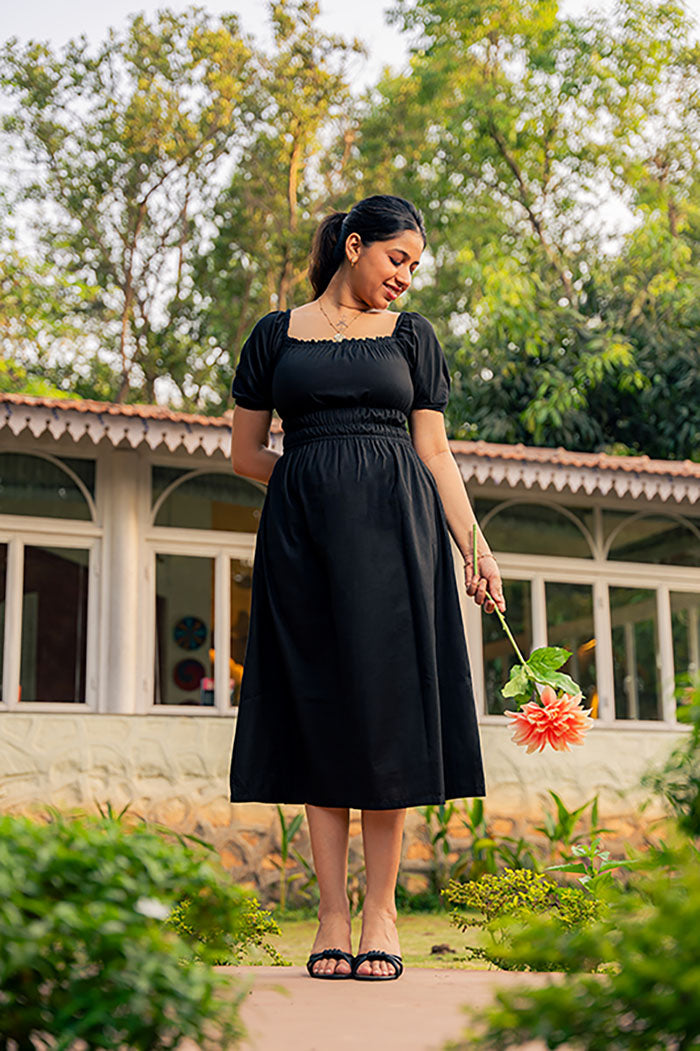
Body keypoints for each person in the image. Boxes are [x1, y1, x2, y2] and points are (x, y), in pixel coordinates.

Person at [228, 194, 506, 982]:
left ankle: (380, 912)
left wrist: (474, 546)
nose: (407, 278)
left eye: (415, 266)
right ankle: (330, 914)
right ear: (354, 245)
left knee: (387, 717)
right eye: (398, 259)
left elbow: (436, 450)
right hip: (302, 545)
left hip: (399, 538)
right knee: (319, 710)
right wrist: (316, 489)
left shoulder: (412, 338)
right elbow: (247, 455)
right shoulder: (274, 336)